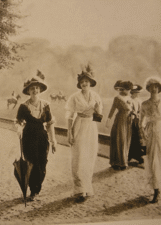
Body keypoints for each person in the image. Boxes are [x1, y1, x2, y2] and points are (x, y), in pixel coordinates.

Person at [16, 70, 57, 201]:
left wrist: (54, 140)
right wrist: (18, 128)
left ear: (40, 90)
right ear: (28, 91)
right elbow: (19, 122)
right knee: (31, 163)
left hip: (42, 138)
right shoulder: (23, 106)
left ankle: (37, 186)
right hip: (28, 137)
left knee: (42, 163)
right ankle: (33, 190)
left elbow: (50, 123)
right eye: (32, 88)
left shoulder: (46, 105)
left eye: (37, 88)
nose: (35, 91)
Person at [65, 66, 103, 202]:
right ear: (79, 84)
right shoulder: (74, 97)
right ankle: (79, 189)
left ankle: (87, 188)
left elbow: (98, 118)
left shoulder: (96, 96)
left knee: (89, 157)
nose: (85, 84)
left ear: (91, 83)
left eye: (87, 81)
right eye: (82, 82)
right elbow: (69, 116)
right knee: (79, 157)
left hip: (91, 127)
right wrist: (69, 133)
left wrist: (98, 111)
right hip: (79, 125)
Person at [139, 76, 161, 203]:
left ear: (159, 88)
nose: (154, 89)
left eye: (156, 86)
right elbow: (140, 122)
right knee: (153, 161)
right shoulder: (145, 104)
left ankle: (157, 184)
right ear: (148, 89)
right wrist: (143, 133)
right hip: (152, 134)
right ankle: (156, 190)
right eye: (151, 87)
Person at [106, 80, 133, 170]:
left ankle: (123, 161)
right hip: (120, 120)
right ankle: (117, 162)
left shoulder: (129, 98)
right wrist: (108, 120)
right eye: (128, 89)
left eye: (129, 90)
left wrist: (134, 114)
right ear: (123, 89)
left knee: (126, 140)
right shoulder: (117, 98)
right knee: (119, 139)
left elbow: (131, 109)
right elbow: (112, 109)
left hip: (128, 121)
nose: (129, 91)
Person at [128, 84, 144, 164]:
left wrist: (139, 115)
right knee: (131, 137)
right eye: (135, 92)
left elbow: (141, 110)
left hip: (137, 121)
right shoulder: (129, 100)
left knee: (138, 137)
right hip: (131, 121)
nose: (137, 94)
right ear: (132, 92)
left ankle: (138, 155)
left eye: (138, 93)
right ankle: (130, 155)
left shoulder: (139, 101)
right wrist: (134, 114)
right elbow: (129, 110)